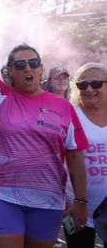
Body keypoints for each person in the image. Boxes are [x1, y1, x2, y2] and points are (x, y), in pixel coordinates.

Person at [0, 0, 89, 248]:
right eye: (20, 65)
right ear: (10, 71)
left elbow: (75, 156)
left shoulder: (63, 106)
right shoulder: (0, 98)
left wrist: (81, 202)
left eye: (33, 63)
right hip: (3, 195)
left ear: (41, 69)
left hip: (49, 200)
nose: (28, 68)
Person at [67, 62, 107, 248]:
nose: (89, 89)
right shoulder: (69, 116)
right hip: (77, 206)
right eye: (83, 85)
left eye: (96, 84)